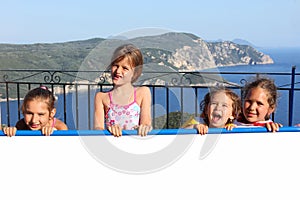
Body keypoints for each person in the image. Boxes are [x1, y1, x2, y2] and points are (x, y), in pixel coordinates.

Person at [94, 44, 152, 137]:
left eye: (125, 68)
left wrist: (144, 127)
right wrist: (109, 129)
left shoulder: (143, 93)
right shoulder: (101, 97)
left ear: (135, 72)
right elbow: (98, 128)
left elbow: (146, 122)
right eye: (115, 65)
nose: (118, 71)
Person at [3, 86, 68, 136]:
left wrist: (55, 133)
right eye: (29, 113)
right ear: (23, 111)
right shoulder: (21, 125)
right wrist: (11, 132)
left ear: (52, 113)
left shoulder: (60, 127)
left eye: (40, 114)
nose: (34, 120)